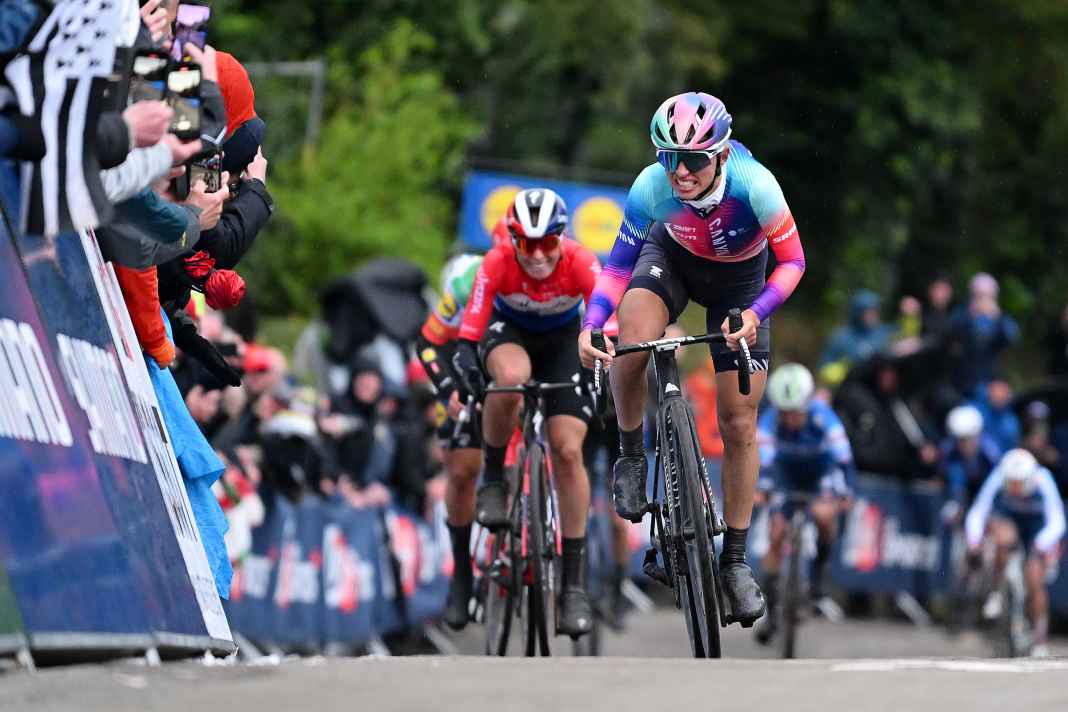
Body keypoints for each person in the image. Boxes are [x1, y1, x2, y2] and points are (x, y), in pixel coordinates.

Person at [577, 91, 806, 626]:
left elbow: (793, 262)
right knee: (631, 336)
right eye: (668, 157)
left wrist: (756, 313)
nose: (679, 171)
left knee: (739, 421)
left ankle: (735, 562)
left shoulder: (757, 186)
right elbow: (615, 268)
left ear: (721, 155)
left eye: (694, 159)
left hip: (742, 284)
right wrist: (592, 322)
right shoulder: (651, 186)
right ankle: (633, 454)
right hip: (672, 260)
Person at [453, 188, 600, 636]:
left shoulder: (581, 260)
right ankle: (494, 479)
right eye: (527, 244)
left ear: (563, 238)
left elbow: (604, 320)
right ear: (512, 239)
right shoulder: (496, 262)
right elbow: (469, 332)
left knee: (568, 450)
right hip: (509, 332)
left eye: (547, 243)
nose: (537, 255)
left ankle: (573, 586)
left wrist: (604, 360)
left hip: (563, 342)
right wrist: (464, 364)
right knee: (510, 379)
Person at [413, 223, 507, 629]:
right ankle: (462, 574)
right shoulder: (470, 281)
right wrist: (449, 387)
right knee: (463, 467)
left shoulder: (549, 278)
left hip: (519, 360)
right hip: (464, 361)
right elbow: (429, 343)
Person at [753, 364, 853, 644]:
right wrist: (762, 489)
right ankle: (771, 613)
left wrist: (845, 492)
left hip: (820, 473)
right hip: (785, 475)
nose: (790, 418)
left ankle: (819, 582)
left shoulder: (824, 417)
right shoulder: (770, 421)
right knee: (775, 534)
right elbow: (765, 463)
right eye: (784, 412)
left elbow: (843, 458)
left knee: (824, 516)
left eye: (795, 411)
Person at [965, 448, 1066, 656]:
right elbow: (978, 511)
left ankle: (1039, 639)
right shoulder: (998, 476)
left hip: (1036, 528)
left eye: (1019, 483)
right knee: (1002, 538)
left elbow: (1057, 521)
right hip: (1010, 520)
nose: (1015, 488)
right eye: (1012, 483)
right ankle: (995, 590)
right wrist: (974, 542)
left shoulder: (1043, 479)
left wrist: (1041, 544)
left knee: (1034, 579)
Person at [940, 404, 1001, 517]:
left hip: (986, 492)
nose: (965, 445)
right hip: (960, 494)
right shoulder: (949, 452)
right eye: (960, 440)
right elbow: (946, 477)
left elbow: (996, 483)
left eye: (968, 439)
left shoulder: (990, 452)